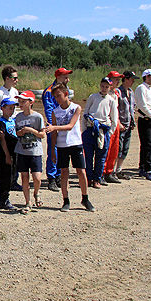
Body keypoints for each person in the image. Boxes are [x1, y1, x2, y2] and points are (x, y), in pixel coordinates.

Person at [44, 84, 94, 213]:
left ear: (66, 94)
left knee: (81, 171)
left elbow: (71, 125)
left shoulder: (76, 108)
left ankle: (85, 198)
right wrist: (52, 150)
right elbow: (54, 134)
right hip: (62, 145)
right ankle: (66, 200)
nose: (57, 99)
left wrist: (54, 128)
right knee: (64, 172)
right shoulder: (55, 112)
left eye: (59, 95)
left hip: (75, 143)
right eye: (55, 97)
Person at [82, 77, 118, 188]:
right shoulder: (93, 97)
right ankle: (88, 178)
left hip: (103, 130)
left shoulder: (111, 100)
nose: (104, 88)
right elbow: (85, 113)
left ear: (110, 87)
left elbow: (114, 119)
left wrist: (110, 132)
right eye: (103, 86)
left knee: (101, 156)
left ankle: (97, 179)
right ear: (100, 85)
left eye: (107, 87)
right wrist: (84, 130)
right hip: (91, 127)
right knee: (88, 156)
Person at [14, 90, 46, 213]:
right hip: (22, 151)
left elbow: (42, 134)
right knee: (24, 177)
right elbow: (16, 133)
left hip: (35, 151)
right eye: (19, 101)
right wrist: (20, 132)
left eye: (23, 101)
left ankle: (36, 193)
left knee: (37, 177)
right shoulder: (18, 117)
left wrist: (31, 130)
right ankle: (27, 202)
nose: (20, 103)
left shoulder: (37, 117)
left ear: (30, 102)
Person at [42, 67, 72, 191]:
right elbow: (49, 110)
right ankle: (52, 178)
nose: (68, 79)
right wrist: (53, 126)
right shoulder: (49, 91)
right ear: (58, 77)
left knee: (63, 151)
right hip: (54, 126)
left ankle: (60, 176)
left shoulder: (66, 90)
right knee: (53, 150)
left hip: (64, 125)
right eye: (65, 76)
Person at [133, 69, 151, 181]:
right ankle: (148, 169)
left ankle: (143, 167)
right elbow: (143, 106)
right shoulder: (141, 88)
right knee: (148, 144)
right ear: (147, 76)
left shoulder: (150, 89)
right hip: (145, 119)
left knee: (148, 144)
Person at [0, 98, 18, 211]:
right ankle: (3, 198)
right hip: (4, 153)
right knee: (5, 176)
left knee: (11, 175)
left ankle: (4, 197)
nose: (11, 110)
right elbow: (3, 139)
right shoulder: (1, 122)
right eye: (9, 108)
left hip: (14, 151)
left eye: (13, 108)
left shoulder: (13, 121)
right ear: (2, 108)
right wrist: (7, 154)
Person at [114, 71, 137, 180]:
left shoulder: (131, 92)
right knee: (118, 148)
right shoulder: (118, 92)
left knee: (125, 148)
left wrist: (132, 121)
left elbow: (132, 108)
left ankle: (118, 170)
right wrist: (118, 122)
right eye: (132, 79)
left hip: (128, 125)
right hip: (121, 124)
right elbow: (115, 109)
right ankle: (112, 170)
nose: (133, 81)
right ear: (126, 79)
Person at [103, 71, 123, 184]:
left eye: (118, 79)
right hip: (108, 122)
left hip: (115, 121)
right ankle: (103, 171)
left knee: (115, 149)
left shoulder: (116, 93)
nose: (117, 81)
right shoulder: (106, 93)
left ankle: (109, 171)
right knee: (107, 147)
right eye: (115, 79)